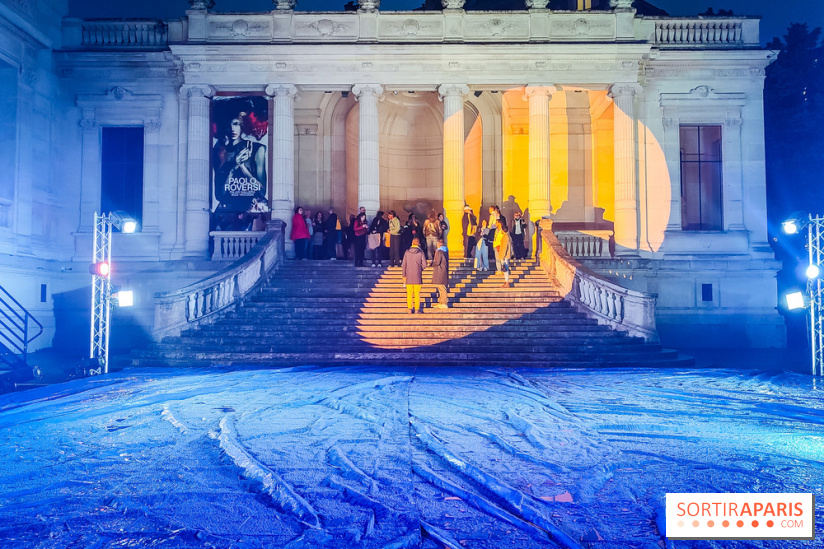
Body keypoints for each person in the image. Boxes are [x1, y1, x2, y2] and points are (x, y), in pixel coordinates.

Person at [212, 111, 267, 213]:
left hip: (253, 211)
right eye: (229, 124)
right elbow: (220, 195)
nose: (232, 129)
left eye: (236, 124)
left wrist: (243, 167)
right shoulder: (219, 151)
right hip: (227, 212)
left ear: (243, 125)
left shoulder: (257, 149)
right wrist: (234, 167)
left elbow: (262, 191)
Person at [401, 237, 427, 314]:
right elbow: (425, 265)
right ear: (419, 244)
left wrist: (404, 275)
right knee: (417, 294)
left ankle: (409, 308)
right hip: (417, 276)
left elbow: (403, 265)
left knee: (409, 294)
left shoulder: (407, 252)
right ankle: (417, 309)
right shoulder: (421, 252)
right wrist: (420, 269)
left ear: (412, 243)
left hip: (408, 276)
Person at [431, 237, 449, 309]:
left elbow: (437, 262)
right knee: (441, 288)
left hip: (440, 272)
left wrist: (432, 264)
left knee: (442, 288)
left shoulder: (439, 251)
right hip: (443, 271)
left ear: (438, 244)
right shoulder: (445, 251)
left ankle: (444, 303)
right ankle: (441, 302)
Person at [494, 221, 512, 287]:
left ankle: (507, 282)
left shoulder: (504, 237)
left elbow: (504, 248)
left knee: (505, 269)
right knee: (505, 269)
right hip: (506, 255)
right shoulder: (508, 236)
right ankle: (506, 281)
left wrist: (502, 256)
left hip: (504, 256)